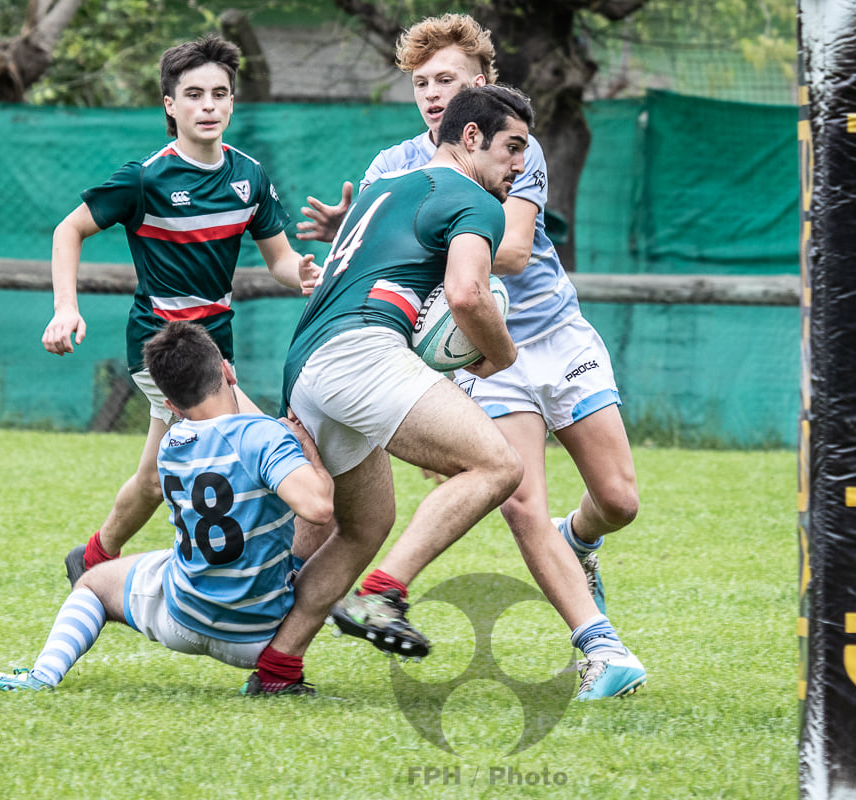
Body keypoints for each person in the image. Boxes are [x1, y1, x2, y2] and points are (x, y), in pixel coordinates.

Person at [297, 14, 645, 701]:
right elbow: (378, 268)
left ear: (479, 88)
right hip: (478, 347)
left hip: (550, 331)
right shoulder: (388, 168)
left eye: (447, 79)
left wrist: (427, 233)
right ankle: (600, 649)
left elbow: (511, 251)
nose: (432, 93)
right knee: (518, 498)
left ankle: (578, 541)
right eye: (421, 82)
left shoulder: (514, 145)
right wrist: (346, 247)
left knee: (619, 500)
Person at [243, 85, 528, 692]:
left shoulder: (382, 188)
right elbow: (468, 295)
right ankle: (382, 596)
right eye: (512, 147)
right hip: (361, 351)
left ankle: (277, 665)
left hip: (307, 363)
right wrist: (498, 355)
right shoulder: (475, 198)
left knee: (365, 524)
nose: (519, 165)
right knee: (499, 465)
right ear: (471, 138)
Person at [42, 34, 317, 587]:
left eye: (220, 93)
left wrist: (304, 274)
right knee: (262, 446)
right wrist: (64, 309)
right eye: (194, 94)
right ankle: (281, 578)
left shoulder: (249, 176)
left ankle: (95, 559)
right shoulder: (145, 177)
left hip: (217, 346)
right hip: (161, 347)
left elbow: (281, 260)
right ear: (170, 105)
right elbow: (68, 229)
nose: (209, 105)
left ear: (233, 102)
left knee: (152, 475)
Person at [0, 321, 333, 694]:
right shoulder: (266, 435)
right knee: (327, 523)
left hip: (183, 614)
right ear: (227, 370)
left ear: (170, 405)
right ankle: (281, 660)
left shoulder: (172, 443)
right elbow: (318, 509)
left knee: (92, 583)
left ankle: (42, 677)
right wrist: (309, 453)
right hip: (261, 633)